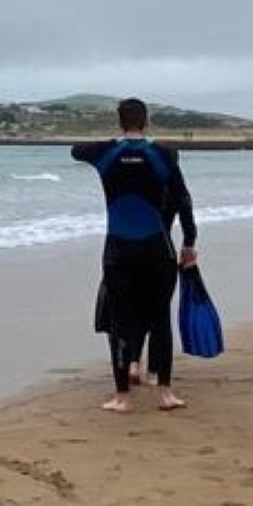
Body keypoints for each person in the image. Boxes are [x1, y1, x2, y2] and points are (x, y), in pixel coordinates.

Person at [72, 98, 198, 412]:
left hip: (118, 250)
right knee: (159, 320)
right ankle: (166, 394)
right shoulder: (164, 154)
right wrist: (189, 241)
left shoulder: (104, 153)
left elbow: (76, 150)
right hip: (158, 249)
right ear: (147, 122)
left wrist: (115, 141)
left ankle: (122, 397)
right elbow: (182, 198)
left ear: (119, 121)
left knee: (121, 322)